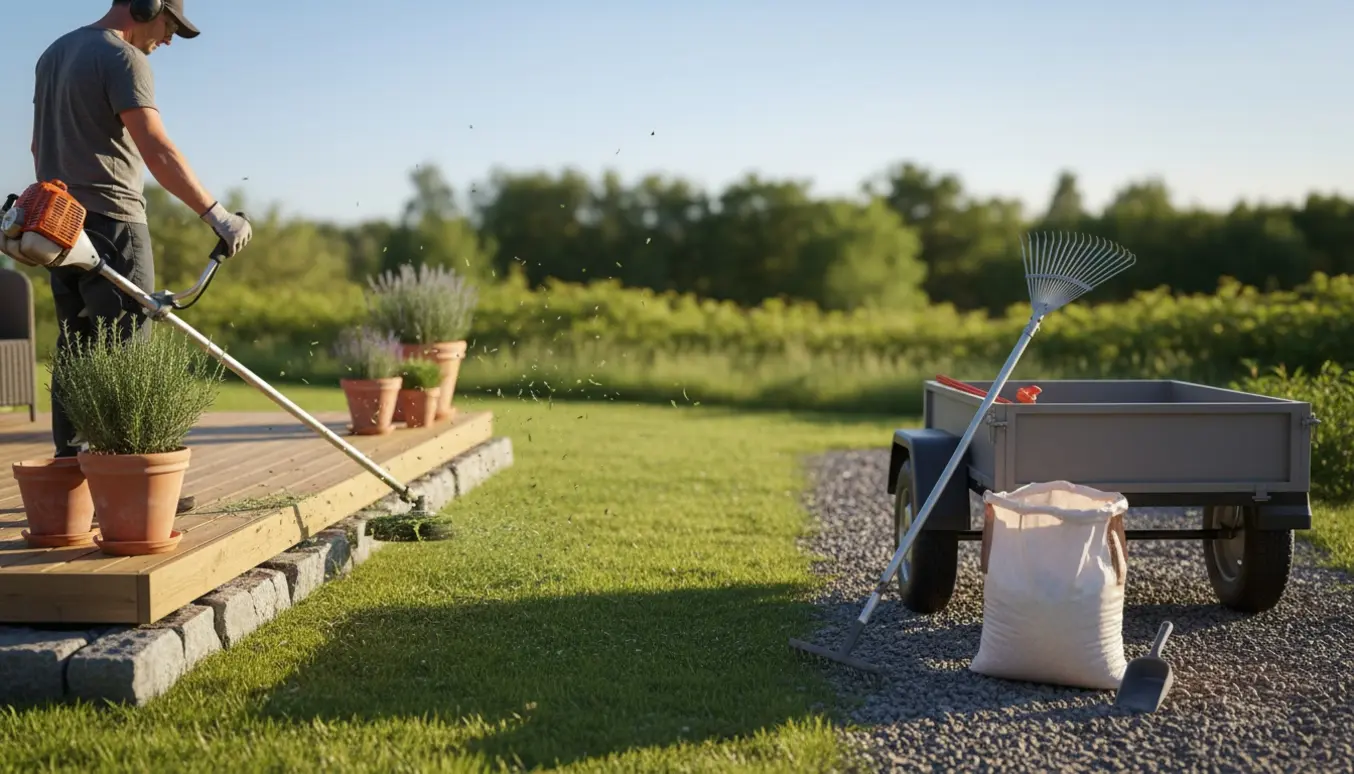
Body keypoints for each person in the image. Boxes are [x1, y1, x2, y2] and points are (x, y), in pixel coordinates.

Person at [31, 0, 252, 513]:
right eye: (169, 25)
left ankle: (73, 489)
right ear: (145, 6)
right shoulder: (123, 57)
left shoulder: (53, 54)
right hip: (114, 225)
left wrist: (58, 212)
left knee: (76, 350)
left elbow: (40, 149)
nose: (169, 39)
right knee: (127, 352)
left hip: (60, 226)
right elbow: (156, 147)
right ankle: (134, 495)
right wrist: (218, 215)